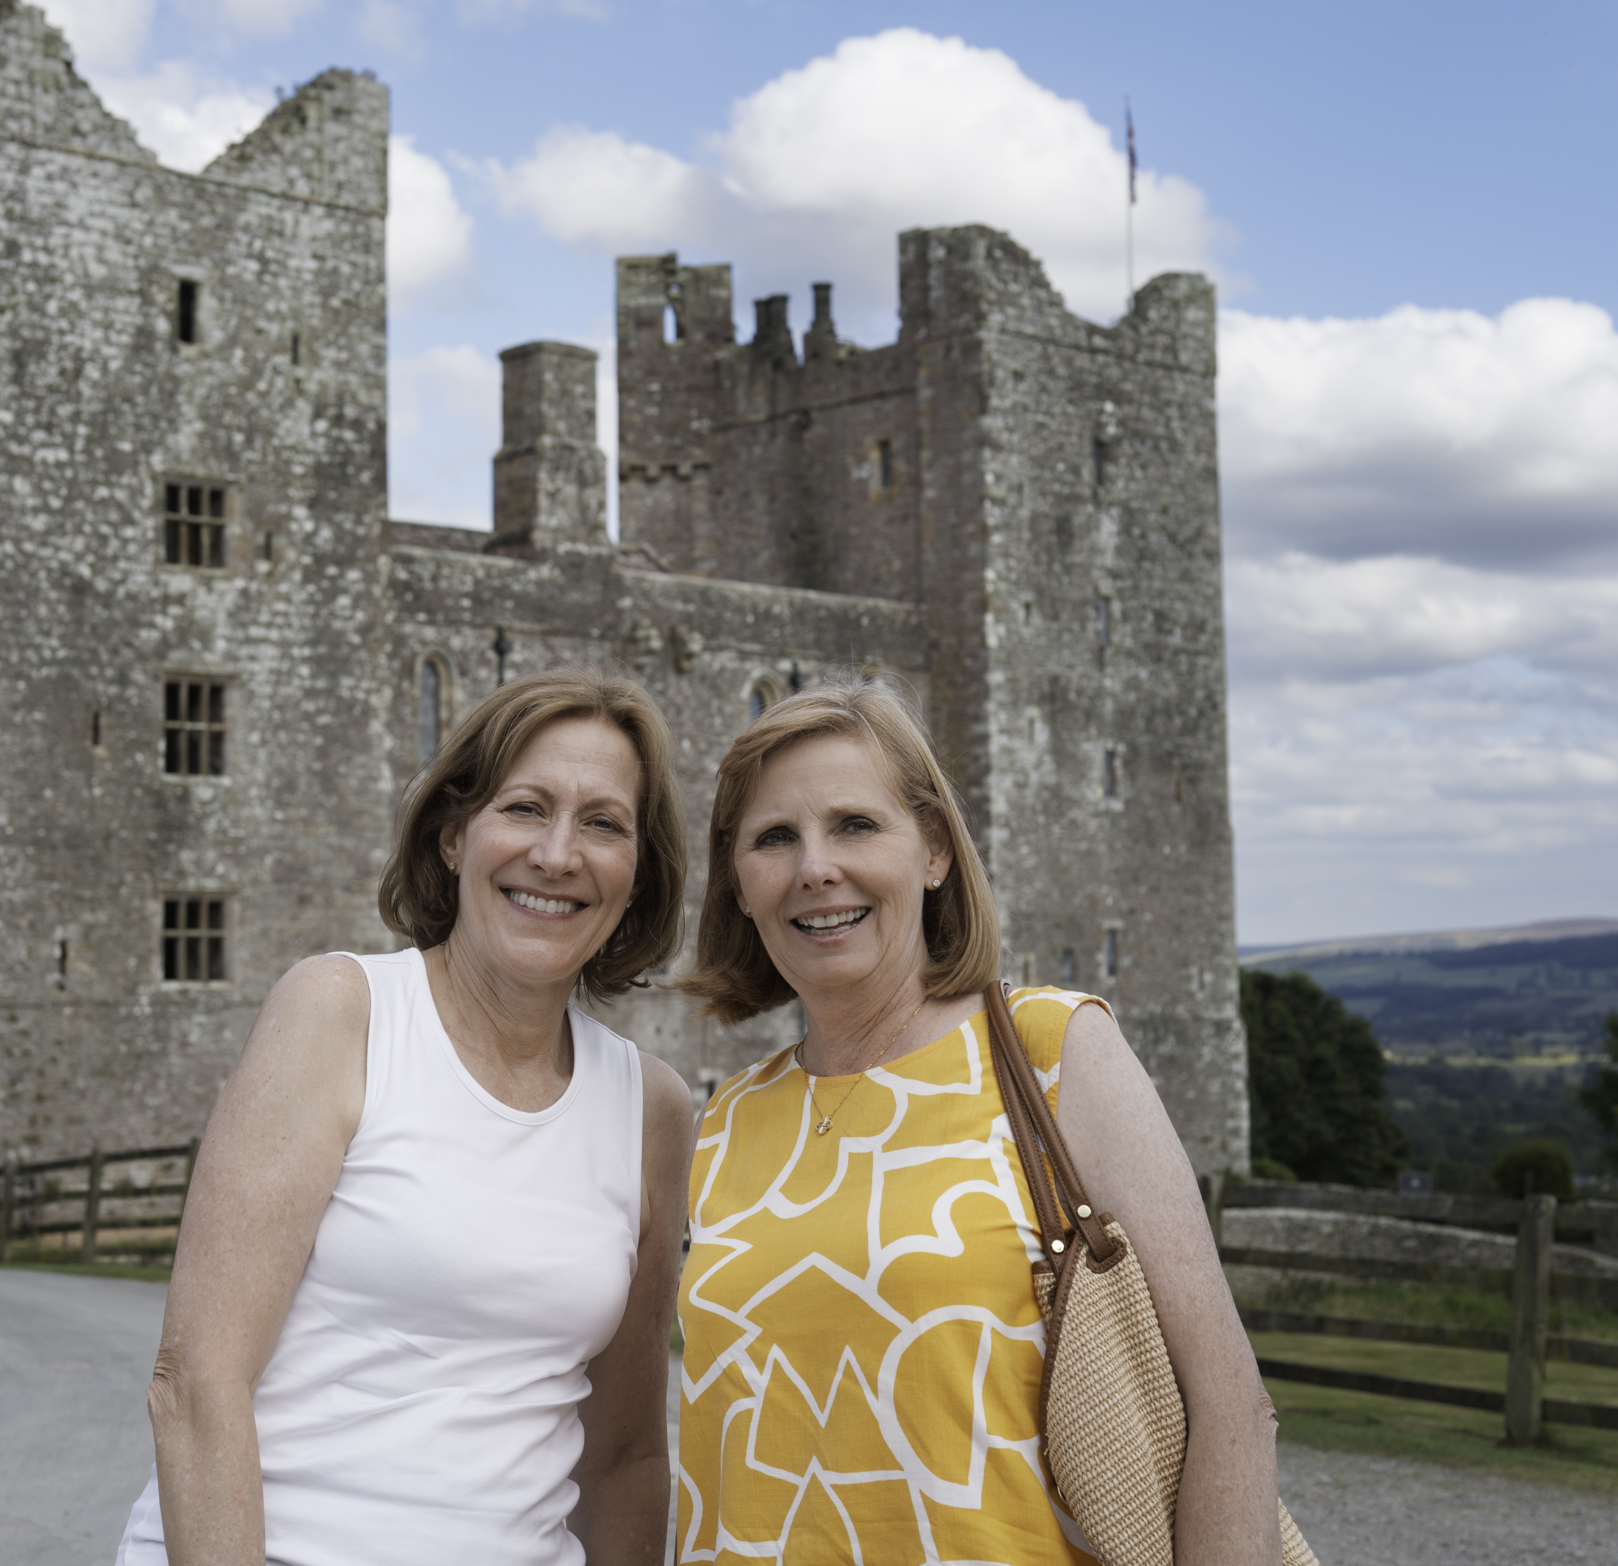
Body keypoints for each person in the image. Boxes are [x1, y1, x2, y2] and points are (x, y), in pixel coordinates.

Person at [671, 680, 1279, 1566]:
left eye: (855, 824)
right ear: (739, 883)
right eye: (774, 837)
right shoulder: (727, 1120)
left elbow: (1229, 1403)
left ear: (935, 852)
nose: (815, 867)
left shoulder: (1052, 1050)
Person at [119, 670, 700, 1566]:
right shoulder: (341, 1013)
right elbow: (196, 1383)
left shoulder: (649, 1108)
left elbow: (624, 1455)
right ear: (452, 834)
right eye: (525, 807)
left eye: (603, 823)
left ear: (639, 873)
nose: (557, 853)